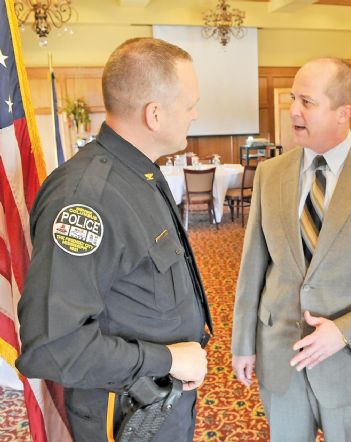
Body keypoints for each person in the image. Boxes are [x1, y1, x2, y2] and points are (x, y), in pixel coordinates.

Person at [16, 38, 213, 441]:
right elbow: (52, 345)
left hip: (161, 398)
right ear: (155, 114)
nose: (195, 114)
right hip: (125, 414)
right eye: (190, 103)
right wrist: (168, 358)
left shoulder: (138, 173)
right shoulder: (86, 197)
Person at [231, 57, 351, 442]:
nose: (294, 111)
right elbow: (252, 266)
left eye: (307, 102)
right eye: (293, 99)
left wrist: (343, 331)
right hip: (280, 357)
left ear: (343, 113)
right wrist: (242, 344)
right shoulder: (271, 173)